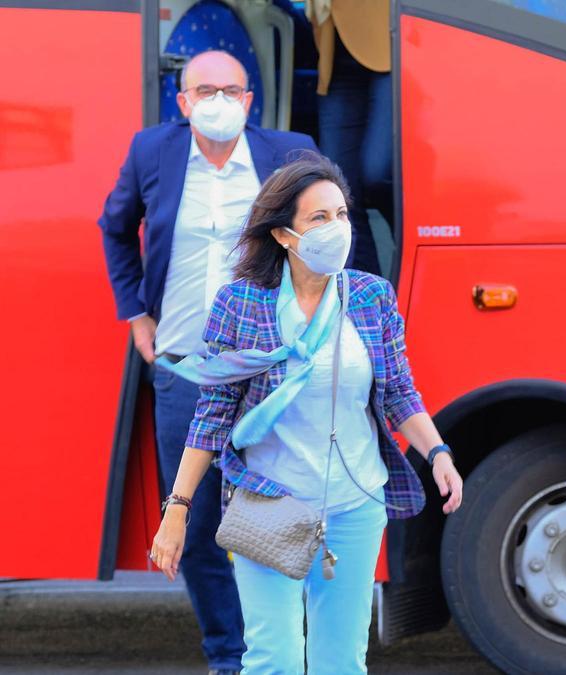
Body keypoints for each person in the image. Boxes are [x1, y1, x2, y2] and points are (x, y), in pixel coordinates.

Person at [148, 154, 464, 673]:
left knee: (341, 662)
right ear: (283, 235)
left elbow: (398, 392)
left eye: (341, 214)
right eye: (319, 218)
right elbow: (212, 415)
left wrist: (438, 452)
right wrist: (177, 510)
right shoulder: (240, 303)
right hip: (268, 502)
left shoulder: (370, 296)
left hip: (355, 504)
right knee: (276, 661)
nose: (337, 229)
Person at [97, 50, 317, 675]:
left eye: (232, 89)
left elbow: (328, 230)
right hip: (185, 368)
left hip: (273, 369)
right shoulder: (153, 152)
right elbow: (114, 226)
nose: (219, 99)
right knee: (191, 519)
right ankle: (230, 654)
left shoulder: (288, 152)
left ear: (251, 101)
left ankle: (284, 648)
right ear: (183, 100)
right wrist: (136, 311)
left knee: (278, 514)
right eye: (205, 89)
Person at [307, 0, 392, 275]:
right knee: (338, 189)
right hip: (336, 46)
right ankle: (366, 296)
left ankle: (426, 242)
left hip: (393, 40)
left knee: (377, 173)